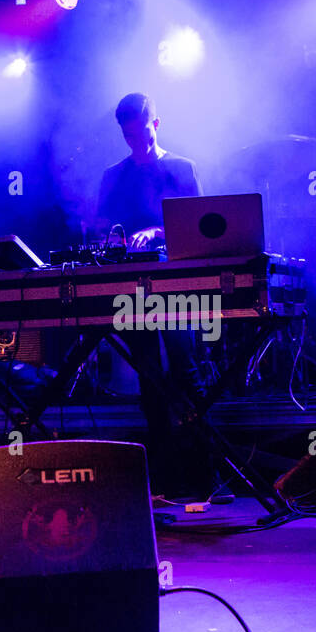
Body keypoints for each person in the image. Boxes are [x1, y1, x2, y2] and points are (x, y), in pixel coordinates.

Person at [96, 93, 213, 498]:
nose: (136, 142)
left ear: (156, 125)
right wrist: (118, 239)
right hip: (132, 288)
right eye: (128, 136)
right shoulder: (113, 177)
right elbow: (100, 230)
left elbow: (203, 227)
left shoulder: (181, 169)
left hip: (177, 285)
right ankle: (164, 480)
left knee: (188, 372)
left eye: (141, 132)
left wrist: (159, 233)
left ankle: (205, 476)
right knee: (149, 380)